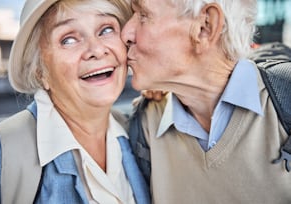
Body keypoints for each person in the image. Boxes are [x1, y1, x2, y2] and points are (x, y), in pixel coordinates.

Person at [121, 0, 291, 203]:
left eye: (143, 15)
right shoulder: (143, 126)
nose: (126, 34)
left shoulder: (283, 104)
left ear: (205, 26)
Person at [0, 0, 150, 203]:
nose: (97, 50)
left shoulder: (140, 132)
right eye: (68, 40)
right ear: (40, 71)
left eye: (106, 29)